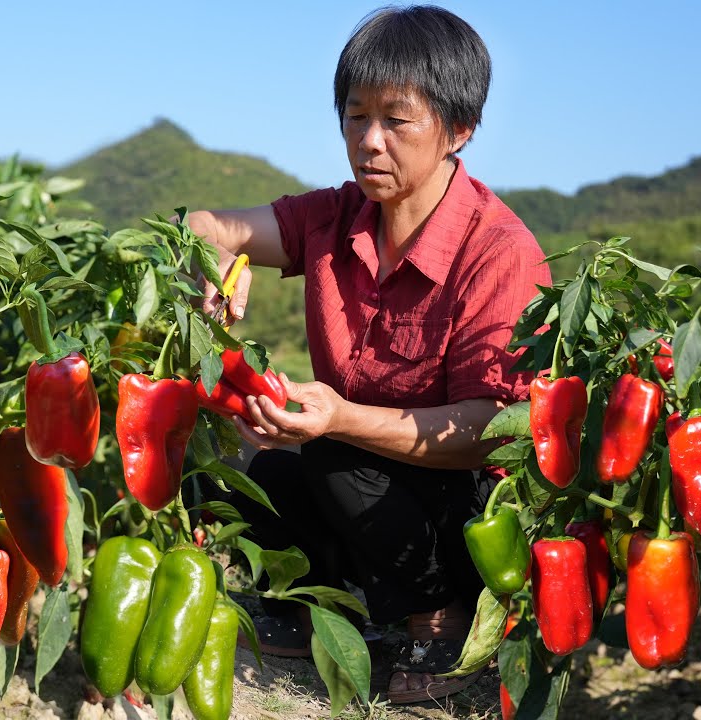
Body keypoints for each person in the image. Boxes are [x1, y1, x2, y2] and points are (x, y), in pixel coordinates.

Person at [188, 5, 551, 704]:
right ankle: (310, 604)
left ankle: (441, 616)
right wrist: (216, 260)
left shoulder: (499, 252)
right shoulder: (335, 215)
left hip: (459, 499)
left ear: (459, 129)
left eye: (396, 119)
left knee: (334, 454)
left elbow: (492, 429)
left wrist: (342, 418)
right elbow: (205, 224)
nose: (369, 141)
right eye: (355, 117)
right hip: (360, 474)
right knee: (226, 438)